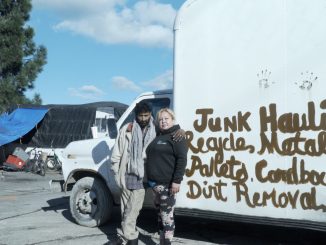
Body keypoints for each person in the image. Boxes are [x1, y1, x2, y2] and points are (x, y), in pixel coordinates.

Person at [109, 102, 184, 245]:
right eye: (140, 115)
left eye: (146, 115)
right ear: (135, 115)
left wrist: (180, 130)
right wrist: (115, 172)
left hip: (144, 175)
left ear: (150, 114)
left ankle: (130, 239)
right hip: (126, 173)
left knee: (132, 210)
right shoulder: (127, 129)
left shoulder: (156, 129)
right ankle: (126, 238)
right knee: (125, 209)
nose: (143, 118)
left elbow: (171, 131)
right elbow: (117, 152)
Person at [145, 108, 188, 245]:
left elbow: (182, 159)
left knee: (167, 218)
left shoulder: (177, 136)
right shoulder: (158, 134)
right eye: (161, 119)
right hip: (154, 185)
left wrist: (177, 181)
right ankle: (162, 241)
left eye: (166, 118)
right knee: (160, 216)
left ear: (172, 119)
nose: (163, 121)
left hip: (167, 185)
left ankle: (167, 242)